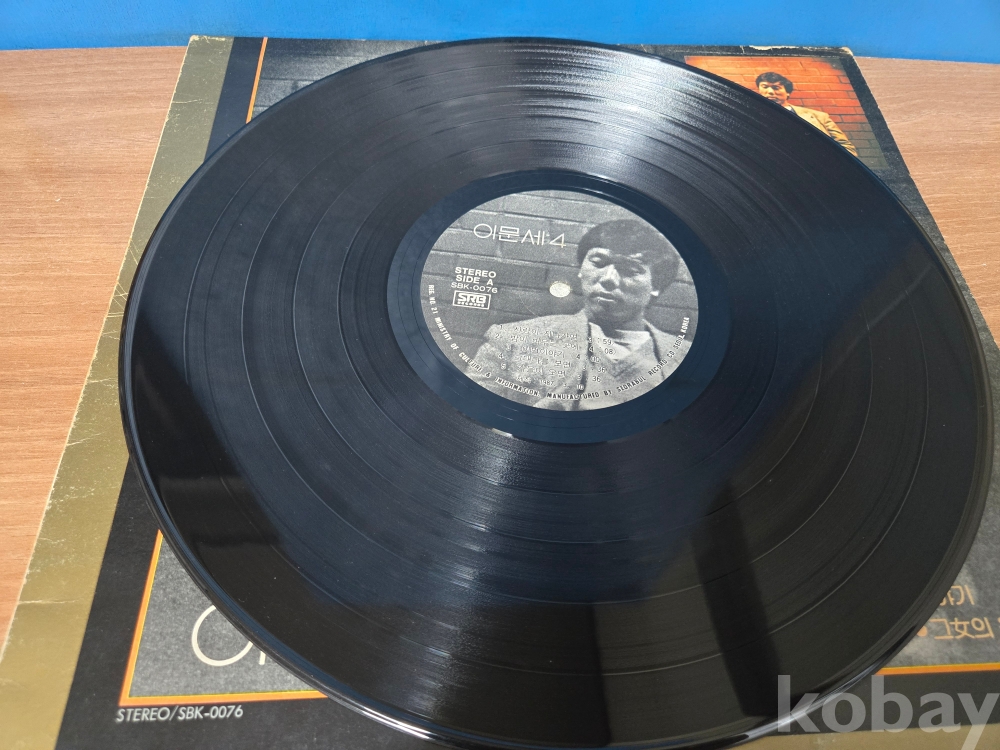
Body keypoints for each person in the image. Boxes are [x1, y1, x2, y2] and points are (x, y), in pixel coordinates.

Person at [465, 220, 692, 410]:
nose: (608, 278)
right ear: (581, 270)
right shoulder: (512, 339)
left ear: (656, 286)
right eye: (598, 263)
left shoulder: (686, 359)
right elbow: (471, 415)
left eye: (630, 270)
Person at [755, 71, 859, 157]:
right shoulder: (754, 116)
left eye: (776, 88)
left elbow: (847, 148)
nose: (770, 92)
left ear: (788, 93)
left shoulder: (820, 117)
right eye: (765, 87)